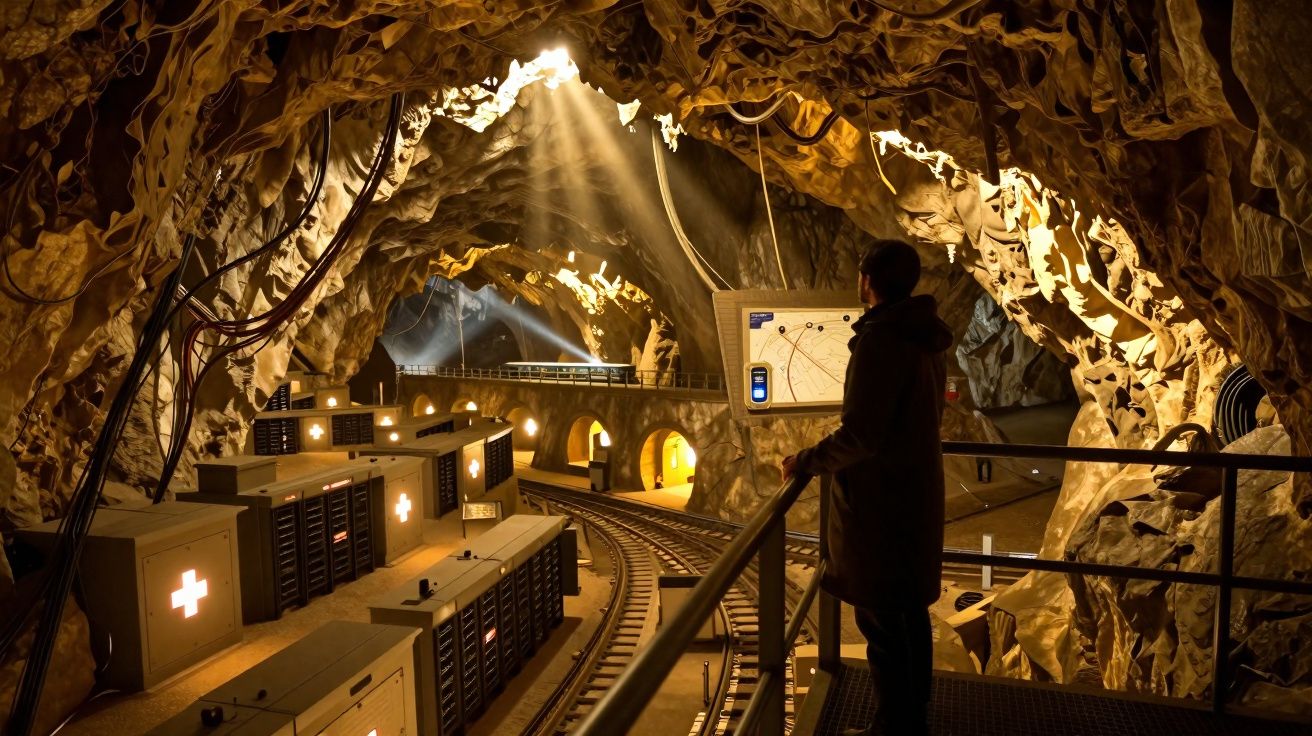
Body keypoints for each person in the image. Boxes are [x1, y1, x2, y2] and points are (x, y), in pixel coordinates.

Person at [783, 239, 951, 736]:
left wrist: (807, 460)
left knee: (880, 624)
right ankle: (912, 716)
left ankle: (890, 727)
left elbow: (861, 434)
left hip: (881, 509)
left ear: (867, 281)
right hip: (914, 495)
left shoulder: (881, 339)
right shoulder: (926, 336)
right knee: (909, 616)